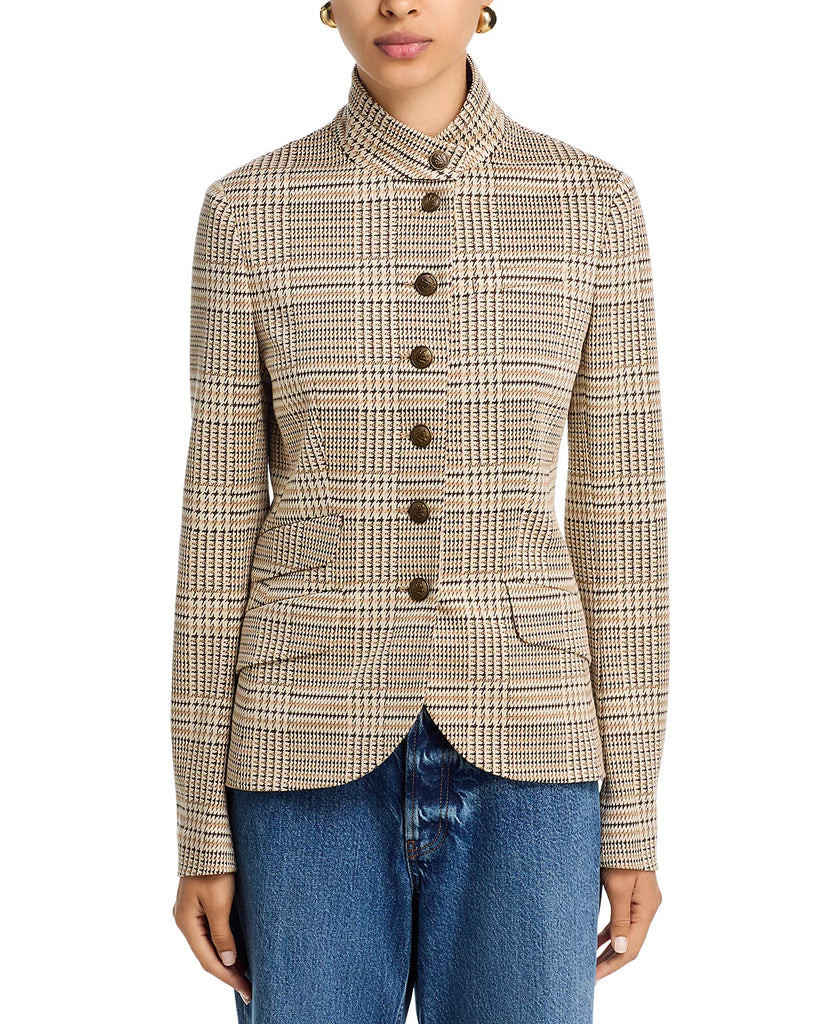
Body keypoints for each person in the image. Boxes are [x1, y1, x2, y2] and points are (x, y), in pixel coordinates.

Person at [170, 2, 669, 1021]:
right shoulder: (249, 210)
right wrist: (199, 830)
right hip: (299, 747)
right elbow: (216, 519)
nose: (398, 4)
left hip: (532, 746)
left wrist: (633, 820)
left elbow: (621, 522)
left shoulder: (591, 204)